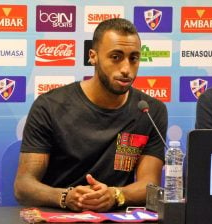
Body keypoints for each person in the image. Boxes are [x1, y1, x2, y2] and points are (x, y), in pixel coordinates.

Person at [14, 18, 168, 212]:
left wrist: (114, 194)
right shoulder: (49, 106)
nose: (126, 69)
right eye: (115, 57)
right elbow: (23, 186)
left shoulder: (150, 111)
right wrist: (65, 196)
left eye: (134, 58)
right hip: (59, 214)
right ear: (93, 57)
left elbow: (150, 186)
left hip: (116, 216)